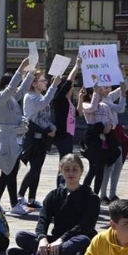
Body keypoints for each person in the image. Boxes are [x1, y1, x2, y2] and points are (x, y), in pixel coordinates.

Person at [7, 153, 100, 255]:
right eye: (67, 169)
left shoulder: (91, 197)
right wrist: (42, 239)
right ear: (61, 171)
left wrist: (62, 240)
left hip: (76, 239)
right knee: (21, 236)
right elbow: (43, 219)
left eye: (75, 169)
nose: (71, 173)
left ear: (81, 171)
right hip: (57, 239)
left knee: (83, 241)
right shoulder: (54, 195)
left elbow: (85, 225)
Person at [0, 58, 33, 216]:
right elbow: (14, 88)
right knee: (8, 172)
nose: (14, 90)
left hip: (13, 139)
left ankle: (0, 204)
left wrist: (31, 73)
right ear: (6, 85)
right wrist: (21, 68)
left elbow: (21, 89)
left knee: (9, 173)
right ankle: (6, 203)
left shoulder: (12, 99)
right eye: (11, 86)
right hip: (6, 140)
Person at [17, 70, 61, 210]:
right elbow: (44, 102)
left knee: (38, 169)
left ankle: (32, 198)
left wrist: (52, 127)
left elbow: (45, 118)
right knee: (34, 168)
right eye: (43, 80)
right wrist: (54, 85)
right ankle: (20, 195)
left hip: (42, 138)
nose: (46, 83)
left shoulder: (39, 95)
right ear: (34, 84)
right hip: (33, 138)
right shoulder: (30, 97)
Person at [80, 85, 119, 196]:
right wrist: (96, 92)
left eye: (100, 93)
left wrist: (110, 125)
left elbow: (113, 121)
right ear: (90, 95)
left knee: (100, 169)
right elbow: (92, 108)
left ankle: (95, 195)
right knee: (93, 168)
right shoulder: (86, 104)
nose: (100, 95)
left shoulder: (105, 106)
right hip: (93, 139)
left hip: (104, 139)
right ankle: (84, 193)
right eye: (97, 93)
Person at [50, 57, 81, 187]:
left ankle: (62, 185)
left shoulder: (68, 102)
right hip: (62, 136)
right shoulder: (59, 100)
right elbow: (69, 81)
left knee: (65, 161)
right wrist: (77, 65)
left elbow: (79, 113)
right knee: (65, 162)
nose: (72, 88)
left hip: (68, 135)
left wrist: (80, 97)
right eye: (71, 87)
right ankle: (61, 187)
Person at [101, 81, 128, 204]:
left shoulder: (109, 97)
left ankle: (112, 193)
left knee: (118, 165)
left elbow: (122, 87)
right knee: (108, 166)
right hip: (107, 136)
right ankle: (103, 195)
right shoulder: (102, 101)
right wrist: (123, 94)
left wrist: (123, 76)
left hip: (116, 134)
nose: (108, 89)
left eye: (109, 87)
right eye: (105, 87)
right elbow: (120, 108)